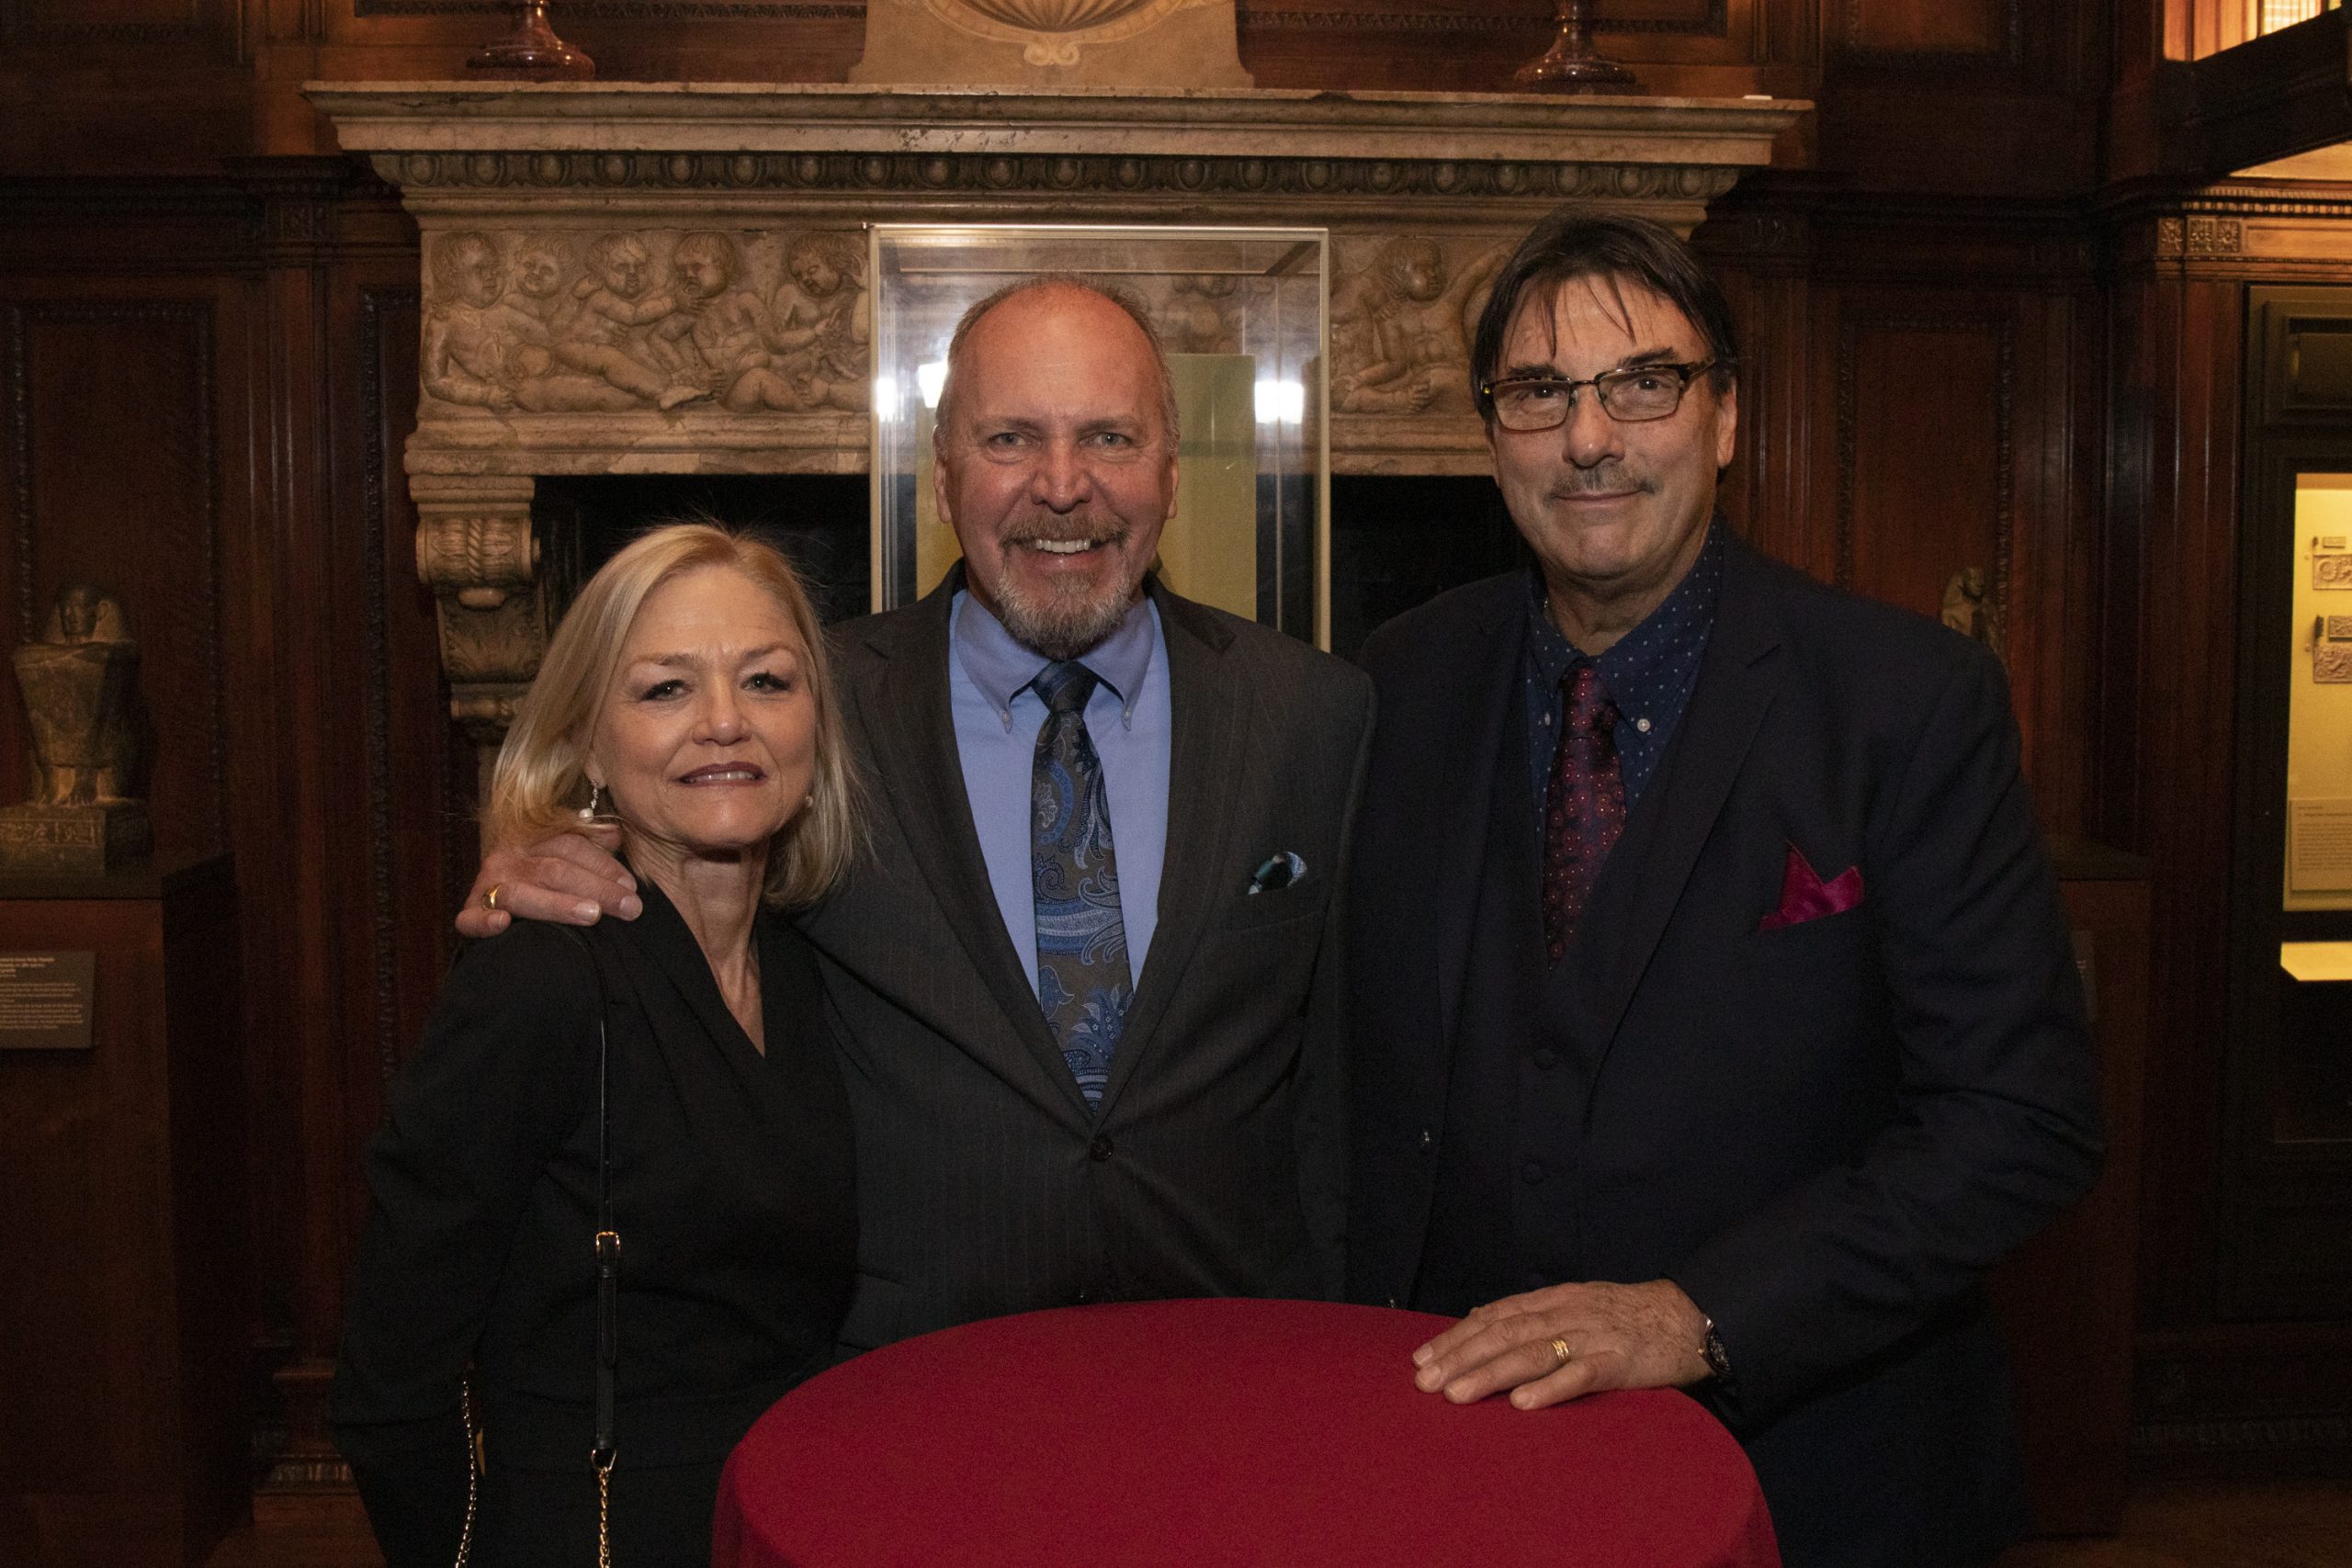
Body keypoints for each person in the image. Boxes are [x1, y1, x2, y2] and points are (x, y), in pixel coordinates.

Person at [1344, 210, 2106, 1568]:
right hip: (1453, 1458)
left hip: (1811, 1476)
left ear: (1728, 415)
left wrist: (1697, 1315)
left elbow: (2019, 1118)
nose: (1590, 437)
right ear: (1491, 436)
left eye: (1643, 383)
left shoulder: (1905, 704)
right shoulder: (1395, 683)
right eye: (1540, 393)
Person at [459, 277, 1373, 1354]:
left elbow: (1348, 1074)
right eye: (1010, 438)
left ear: (1171, 475)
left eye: (1110, 438)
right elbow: (675, 877)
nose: (1063, 486)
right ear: (941, 478)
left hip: (1231, 1359)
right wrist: (557, 855)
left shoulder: (1314, 714)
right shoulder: (804, 711)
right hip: (904, 1373)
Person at [332, 525, 860, 1568]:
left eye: (765, 680)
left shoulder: (807, 968)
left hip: (776, 1518)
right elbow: (394, 1375)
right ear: (585, 741)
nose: (723, 722)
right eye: (664, 689)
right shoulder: (540, 980)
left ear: (815, 725)